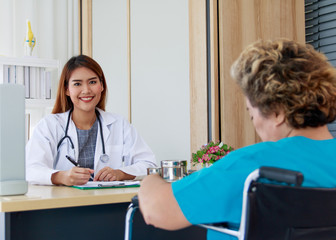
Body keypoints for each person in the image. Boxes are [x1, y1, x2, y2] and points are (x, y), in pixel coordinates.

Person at [138, 39, 336, 239]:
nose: (255, 126)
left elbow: (156, 211)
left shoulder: (254, 168)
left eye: (252, 115)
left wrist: (151, 179)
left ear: (277, 113)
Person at [26, 55, 157, 186]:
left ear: (102, 86)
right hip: (64, 203)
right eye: (77, 84)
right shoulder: (50, 125)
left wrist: (120, 173)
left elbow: (149, 165)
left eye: (92, 82)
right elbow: (30, 169)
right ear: (66, 89)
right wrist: (61, 176)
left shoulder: (119, 124)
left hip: (107, 201)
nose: (86, 90)